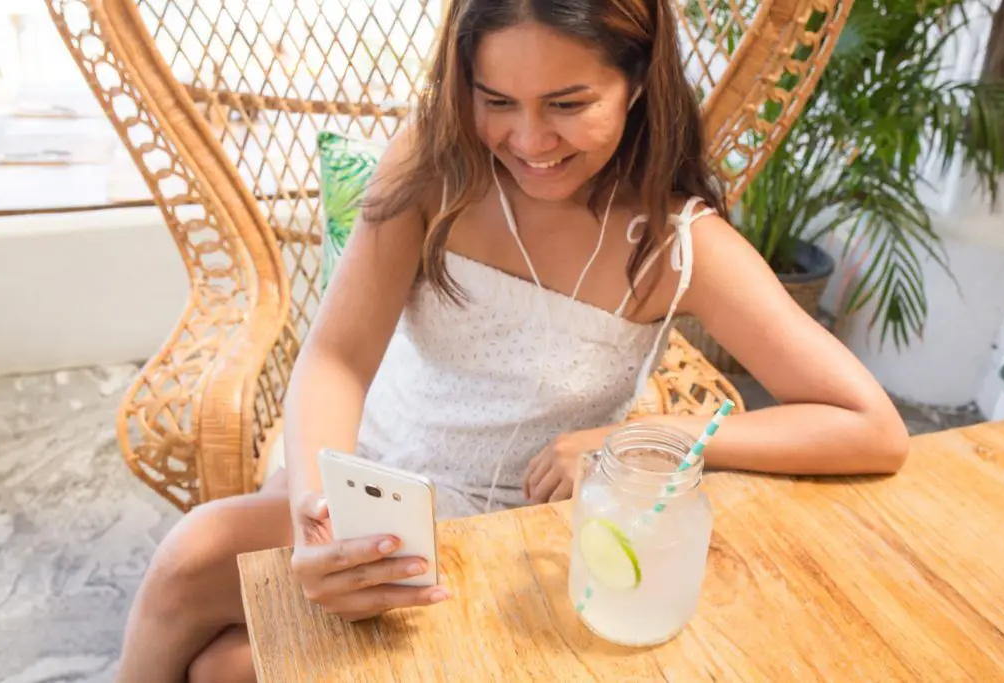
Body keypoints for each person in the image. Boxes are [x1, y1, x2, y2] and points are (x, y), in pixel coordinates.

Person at [115, 1, 909, 681]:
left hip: (508, 540)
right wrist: (318, 511)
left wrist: (638, 438)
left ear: (637, 81)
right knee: (195, 564)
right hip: (364, 477)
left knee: (228, 666)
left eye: (568, 103)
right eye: (497, 99)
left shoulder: (677, 244)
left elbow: (869, 425)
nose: (529, 141)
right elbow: (336, 357)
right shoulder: (437, 163)